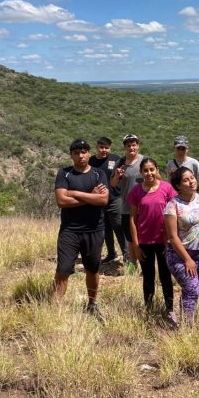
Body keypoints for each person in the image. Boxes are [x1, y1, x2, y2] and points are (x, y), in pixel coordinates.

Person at [53, 139, 109, 320]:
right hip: (70, 230)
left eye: (84, 152)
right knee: (63, 269)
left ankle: (92, 303)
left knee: (92, 269)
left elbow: (102, 200)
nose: (81, 156)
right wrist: (90, 196)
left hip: (94, 229)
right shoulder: (64, 174)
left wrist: (75, 194)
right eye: (76, 153)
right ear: (71, 155)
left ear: (89, 153)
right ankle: (56, 308)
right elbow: (61, 201)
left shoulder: (99, 174)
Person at [127, 158, 177, 328]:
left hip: (164, 241)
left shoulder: (167, 188)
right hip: (145, 241)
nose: (149, 173)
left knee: (165, 276)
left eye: (151, 169)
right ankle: (149, 310)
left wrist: (171, 239)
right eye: (145, 170)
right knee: (148, 277)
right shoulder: (136, 191)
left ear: (157, 169)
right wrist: (135, 244)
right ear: (141, 172)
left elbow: (175, 214)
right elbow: (132, 218)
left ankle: (170, 309)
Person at [164, 167, 199, 325]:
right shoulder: (172, 205)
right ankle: (187, 326)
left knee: (190, 290)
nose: (191, 181)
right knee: (192, 289)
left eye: (192, 178)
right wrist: (187, 259)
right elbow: (172, 236)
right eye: (186, 180)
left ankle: (185, 320)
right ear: (178, 185)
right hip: (180, 255)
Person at [89, 136, 127, 264]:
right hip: (98, 201)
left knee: (119, 227)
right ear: (97, 147)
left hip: (115, 199)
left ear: (110, 148)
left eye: (106, 148)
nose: (104, 150)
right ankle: (111, 254)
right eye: (101, 147)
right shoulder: (91, 161)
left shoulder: (117, 159)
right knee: (105, 229)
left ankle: (128, 258)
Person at [110, 134, 144, 272]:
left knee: (145, 238)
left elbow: (157, 179)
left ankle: (146, 265)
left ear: (138, 146)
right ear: (124, 147)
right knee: (130, 239)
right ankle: (133, 264)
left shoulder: (145, 161)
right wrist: (117, 176)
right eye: (128, 145)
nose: (131, 147)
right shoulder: (120, 163)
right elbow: (112, 183)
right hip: (126, 208)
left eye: (134, 144)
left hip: (144, 208)